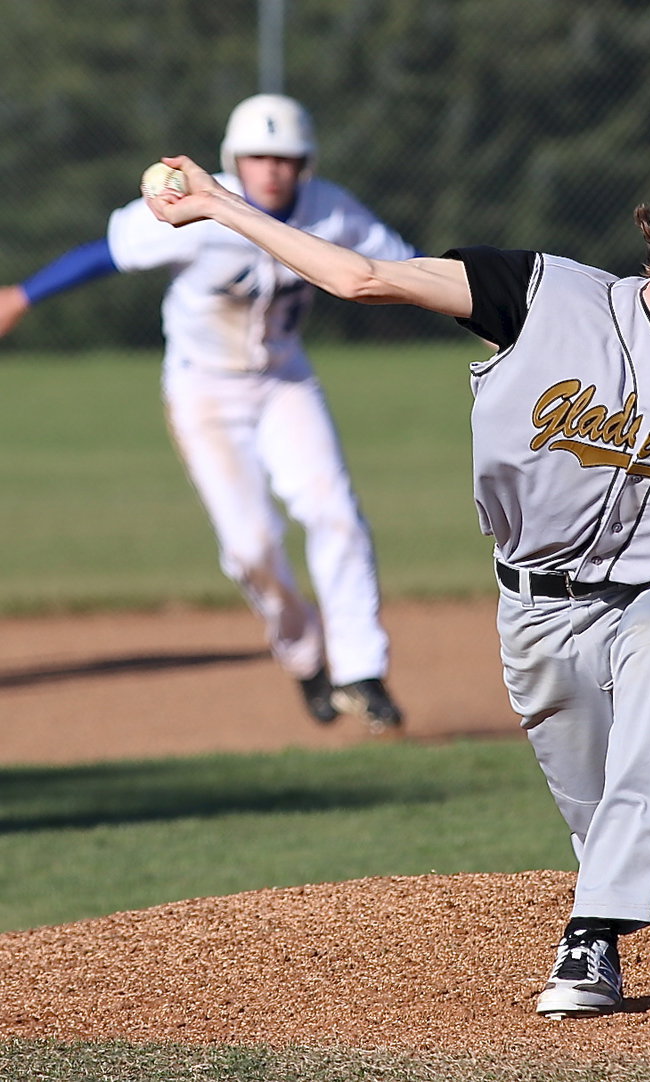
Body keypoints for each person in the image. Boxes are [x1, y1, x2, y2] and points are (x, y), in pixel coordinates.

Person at [144, 141, 650, 1017]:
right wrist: (222, 206)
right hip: (536, 605)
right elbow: (359, 279)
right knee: (609, 816)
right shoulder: (542, 294)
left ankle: (591, 943)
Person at [0, 94, 420, 731]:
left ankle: (362, 670)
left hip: (285, 381)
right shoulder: (197, 204)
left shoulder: (331, 211)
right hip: (204, 391)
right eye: (259, 155)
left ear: (304, 163)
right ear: (234, 159)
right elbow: (106, 253)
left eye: (286, 157)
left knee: (333, 511)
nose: (272, 168)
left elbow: (403, 266)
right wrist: (23, 296)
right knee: (251, 546)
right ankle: (305, 656)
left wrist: (481, 311)